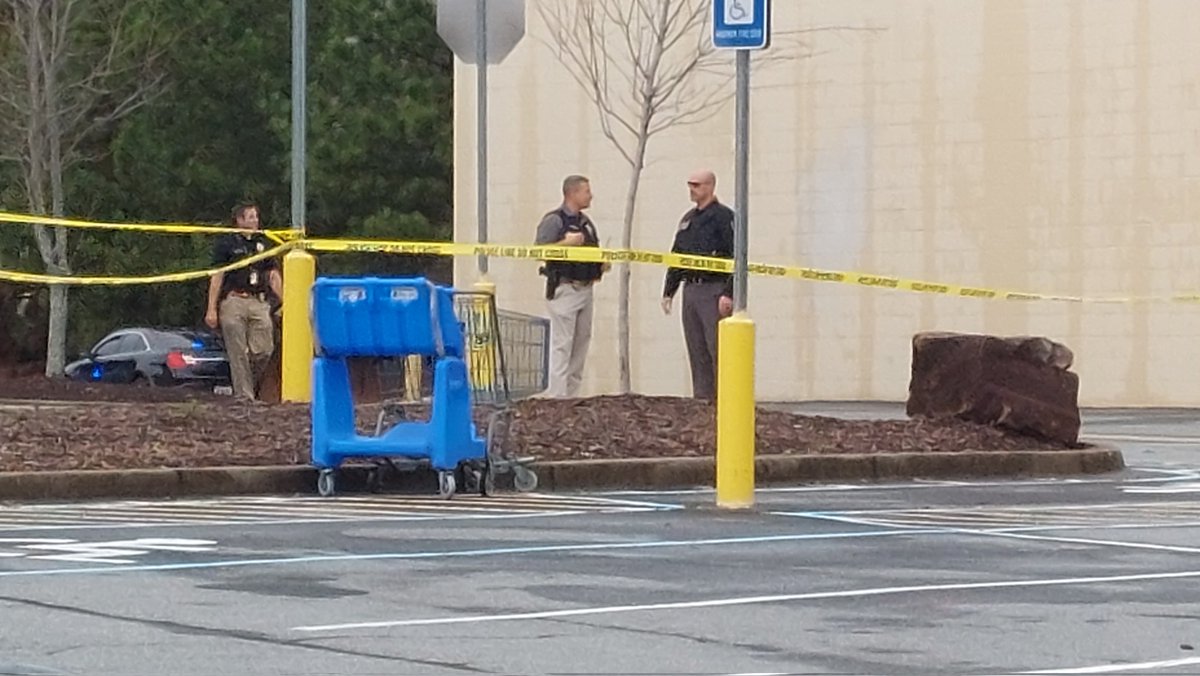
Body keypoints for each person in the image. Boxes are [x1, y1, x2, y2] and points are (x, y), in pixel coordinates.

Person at [661, 169, 735, 401]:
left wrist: (729, 292)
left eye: (697, 185)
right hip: (691, 289)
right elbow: (677, 255)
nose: (692, 190)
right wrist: (669, 291)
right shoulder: (688, 219)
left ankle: (725, 400)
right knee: (697, 348)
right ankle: (703, 400)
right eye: (690, 185)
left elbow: (736, 257)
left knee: (718, 348)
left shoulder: (724, 217)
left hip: (713, 289)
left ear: (711, 186)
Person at [535, 175, 608, 398]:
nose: (590, 195)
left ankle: (572, 396)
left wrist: (601, 264)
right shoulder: (554, 221)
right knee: (562, 345)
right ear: (572, 194)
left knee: (580, 344)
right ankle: (557, 398)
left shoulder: (586, 223)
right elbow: (539, 251)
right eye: (586, 191)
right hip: (565, 288)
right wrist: (566, 243)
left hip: (586, 288)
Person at [204, 202, 282, 401]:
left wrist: (285, 300)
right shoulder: (226, 244)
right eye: (251, 217)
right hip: (234, 300)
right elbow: (217, 275)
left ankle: (249, 386)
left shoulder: (264, 242)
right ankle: (244, 397)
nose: (255, 220)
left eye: (256, 216)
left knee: (264, 350)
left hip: (258, 301)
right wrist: (211, 308)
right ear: (239, 220)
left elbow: (273, 274)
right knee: (237, 351)